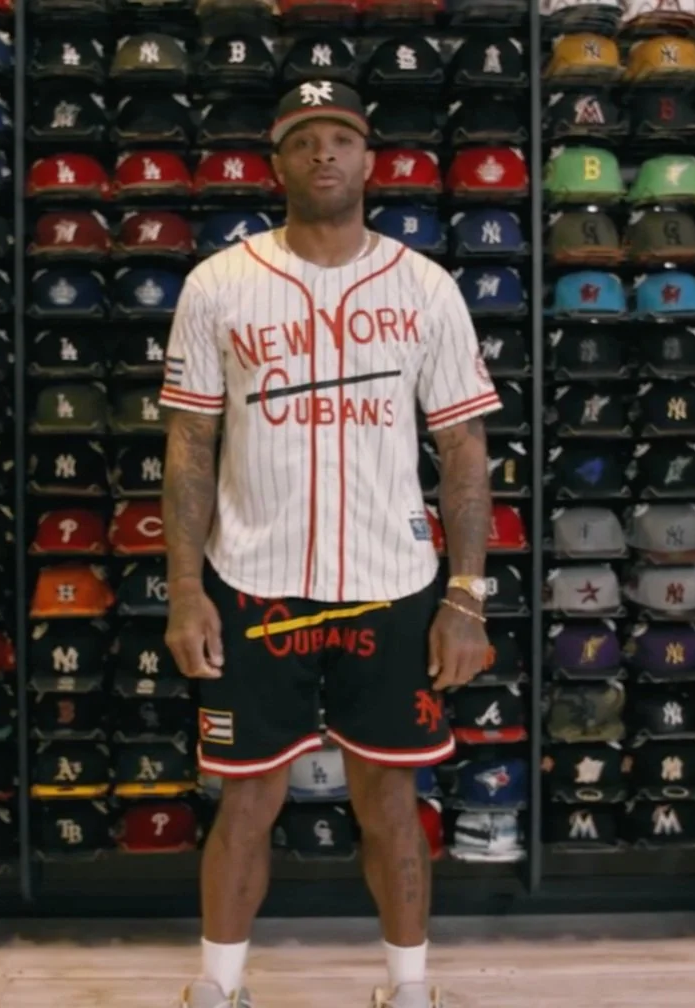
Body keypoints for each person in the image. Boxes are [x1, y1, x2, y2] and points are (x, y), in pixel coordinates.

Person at [158, 80, 501, 1008]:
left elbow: (463, 448)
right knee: (246, 798)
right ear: (275, 161)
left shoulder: (425, 286)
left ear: (370, 159)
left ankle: (411, 988)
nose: (323, 154)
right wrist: (185, 592)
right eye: (303, 139)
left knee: (390, 800)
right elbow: (189, 444)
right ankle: (218, 988)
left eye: (340, 138)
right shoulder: (218, 285)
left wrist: (466, 597)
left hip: (393, 584)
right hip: (252, 581)